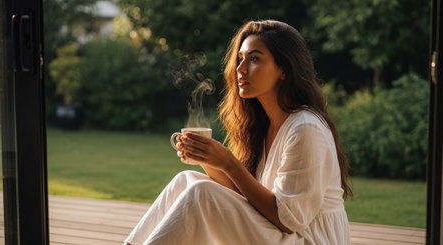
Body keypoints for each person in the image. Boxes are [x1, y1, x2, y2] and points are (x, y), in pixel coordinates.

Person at [124, 19, 352, 245]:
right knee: (186, 180)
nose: (240, 69)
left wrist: (229, 163)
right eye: (240, 59)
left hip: (308, 239)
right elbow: (248, 197)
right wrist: (209, 159)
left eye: (254, 59)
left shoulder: (305, 128)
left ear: (284, 69)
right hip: (280, 234)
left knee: (202, 192)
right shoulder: (266, 124)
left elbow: (289, 219)